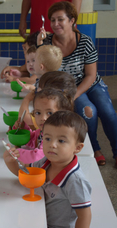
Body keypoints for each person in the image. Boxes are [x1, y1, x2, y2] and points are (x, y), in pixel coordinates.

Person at [38, 1, 117, 166]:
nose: (55, 24)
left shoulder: (85, 42)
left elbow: (90, 75)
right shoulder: (47, 42)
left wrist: (74, 94)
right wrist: (39, 45)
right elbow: (39, 68)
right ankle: (95, 149)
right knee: (89, 112)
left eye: (60, 19)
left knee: (108, 113)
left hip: (91, 84)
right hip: (67, 88)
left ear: (72, 20)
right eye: (52, 20)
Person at [4, 110, 91, 228]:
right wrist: (10, 161)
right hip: (38, 219)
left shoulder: (75, 180)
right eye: (48, 138)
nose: (52, 145)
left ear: (77, 148)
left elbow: (85, 216)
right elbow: (23, 174)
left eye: (61, 141)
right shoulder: (46, 162)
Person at [7, 88, 74, 164]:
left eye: (50, 113)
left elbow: (39, 157)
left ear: (62, 114)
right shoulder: (42, 131)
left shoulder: (56, 136)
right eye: (38, 113)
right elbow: (33, 140)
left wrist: (17, 153)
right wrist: (23, 128)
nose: (43, 118)